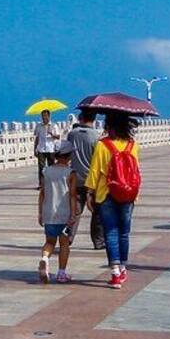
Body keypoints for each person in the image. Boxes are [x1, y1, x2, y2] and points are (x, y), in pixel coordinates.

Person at [84, 114, 141, 289]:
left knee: (111, 232)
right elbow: (136, 171)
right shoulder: (133, 145)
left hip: (105, 194)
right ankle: (123, 267)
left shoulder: (103, 145)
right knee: (124, 232)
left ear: (109, 126)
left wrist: (89, 193)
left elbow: (94, 171)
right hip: (128, 194)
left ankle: (115, 271)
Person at [64, 111, 105, 250]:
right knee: (97, 212)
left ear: (80, 118)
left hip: (75, 178)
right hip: (91, 180)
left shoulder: (72, 134)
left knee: (74, 211)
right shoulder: (96, 137)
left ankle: (68, 238)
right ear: (94, 119)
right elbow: (98, 159)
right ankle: (98, 241)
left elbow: (66, 152)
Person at [37, 151, 76, 284]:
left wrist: (40, 213)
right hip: (64, 215)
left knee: (50, 242)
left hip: (49, 213)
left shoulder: (46, 171)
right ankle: (61, 273)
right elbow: (72, 195)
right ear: (69, 157)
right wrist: (73, 213)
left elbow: (42, 193)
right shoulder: (70, 173)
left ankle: (45, 259)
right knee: (64, 244)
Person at [34, 110, 62, 189]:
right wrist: (35, 149)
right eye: (43, 116)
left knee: (51, 167)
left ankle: (52, 184)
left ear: (49, 116)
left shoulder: (54, 125)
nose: (44, 117)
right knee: (41, 168)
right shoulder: (39, 126)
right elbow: (37, 138)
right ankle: (41, 184)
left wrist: (52, 134)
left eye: (46, 115)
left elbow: (58, 137)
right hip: (41, 149)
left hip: (50, 149)